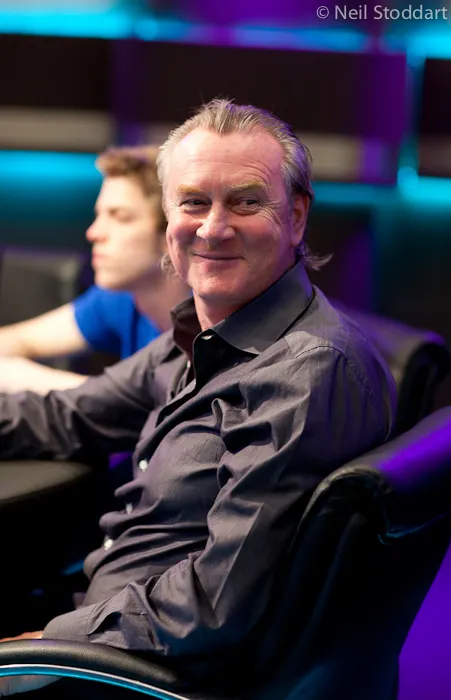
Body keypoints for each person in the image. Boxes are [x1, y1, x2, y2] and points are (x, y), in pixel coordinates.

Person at [0, 98, 396, 697]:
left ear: (296, 216)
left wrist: (46, 645)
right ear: (168, 217)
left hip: (129, 674)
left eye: (245, 201)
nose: (212, 227)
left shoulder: (303, 372)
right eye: (192, 202)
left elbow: (212, 603)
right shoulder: (203, 328)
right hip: (104, 631)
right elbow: (69, 416)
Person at [0, 145, 189, 393]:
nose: (93, 233)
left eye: (119, 217)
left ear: (171, 234)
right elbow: (21, 340)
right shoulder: (121, 298)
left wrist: (28, 379)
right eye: (99, 215)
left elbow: (165, 407)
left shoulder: (212, 318)